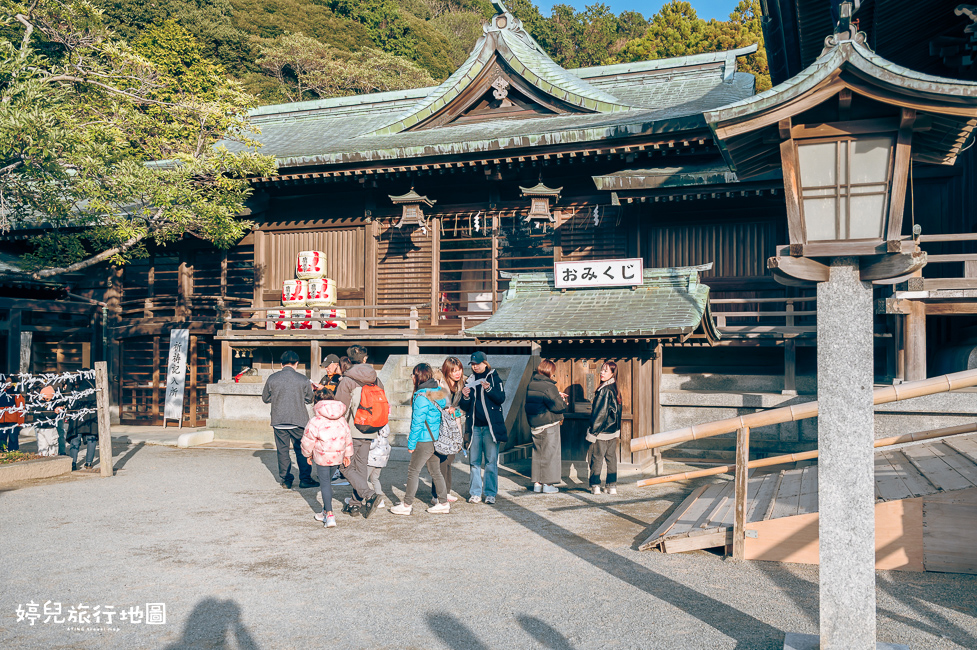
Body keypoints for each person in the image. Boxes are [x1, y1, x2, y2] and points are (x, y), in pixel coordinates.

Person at [390, 363, 450, 515]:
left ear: (418, 376)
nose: (412, 377)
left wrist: (411, 444)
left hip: (424, 440)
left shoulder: (421, 397)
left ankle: (406, 504)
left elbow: (417, 423)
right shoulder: (437, 393)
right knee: (436, 471)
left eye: (413, 374)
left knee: (413, 471)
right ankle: (443, 502)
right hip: (435, 438)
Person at [335, 345, 384, 518]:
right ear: (365, 359)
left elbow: (339, 409)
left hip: (352, 429)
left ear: (348, 360)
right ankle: (355, 505)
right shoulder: (375, 379)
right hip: (371, 428)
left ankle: (369, 495)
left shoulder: (347, 380)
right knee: (361, 466)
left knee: (344, 466)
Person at [261, 351, 318, 490]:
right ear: (296, 363)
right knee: (302, 450)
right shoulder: (302, 379)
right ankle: (305, 479)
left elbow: (265, 398)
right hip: (298, 420)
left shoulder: (272, 378)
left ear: (281, 364)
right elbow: (309, 399)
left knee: (282, 451)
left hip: (279, 420)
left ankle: (286, 479)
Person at [300, 387, 353, 529]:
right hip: (337, 454)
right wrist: (347, 454)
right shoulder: (341, 418)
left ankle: (329, 514)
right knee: (327, 483)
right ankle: (325, 510)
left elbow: (307, 440)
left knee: (324, 484)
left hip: (322, 455)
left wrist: (307, 454)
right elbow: (348, 437)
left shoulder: (315, 420)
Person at [459, 351, 507, 505]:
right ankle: (475, 493)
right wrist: (465, 396)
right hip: (474, 427)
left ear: (485, 363)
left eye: (478, 364)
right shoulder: (469, 380)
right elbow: (465, 407)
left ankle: (490, 493)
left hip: (490, 427)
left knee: (491, 461)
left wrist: (488, 389)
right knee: (474, 462)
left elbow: (501, 398)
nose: (475, 367)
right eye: (473, 364)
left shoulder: (494, 377)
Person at [525, 359, 567, 494]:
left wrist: (556, 395)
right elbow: (558, 406)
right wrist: (562, 399)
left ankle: (537, 483)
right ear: (549, 372)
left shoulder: (532, 384)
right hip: (548, 424)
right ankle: (548, 484)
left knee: (538, 454)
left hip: (535, 425)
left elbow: (542, 400)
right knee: (551, 454)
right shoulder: (549, 387)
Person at [431, 357, 465, 505]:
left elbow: (464, 408)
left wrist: (457, 410)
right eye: (454, 371)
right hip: (440, 427)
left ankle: (446, 491)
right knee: (442, 461)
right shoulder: (439, 384)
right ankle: (437, 494)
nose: (457, 373)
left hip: (454, 427)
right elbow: (433, 403)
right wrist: (446, 409)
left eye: (459, 370)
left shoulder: (463, 384)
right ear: (447, 371)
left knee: (449, 459)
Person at [587, 361, 622, 495]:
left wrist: (593, 432)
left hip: (601, 431)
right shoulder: (615, 388)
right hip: (612, 431)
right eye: (601, 370)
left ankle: (595, 485)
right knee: (611, 458)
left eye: (605, 371)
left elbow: (599, 414)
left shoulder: (604, 390)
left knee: (596, 458)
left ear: (612, 373)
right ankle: (611, 486)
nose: (602, 373)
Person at [66, 373, 98, 471]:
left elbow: (67, 400)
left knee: (75, 440)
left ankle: (73, 463)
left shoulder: (76, 389)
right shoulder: (95, 388)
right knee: (91, 439)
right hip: (91, 418)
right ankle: (88, 463)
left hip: (77, 418)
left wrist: (69, 384)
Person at [367, 424, 391, 508]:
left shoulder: (375, 430)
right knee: (375, 479)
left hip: (372, 459)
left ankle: (357, 499)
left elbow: (372, 445)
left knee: (363, 479)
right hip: (381, 460)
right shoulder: (385, 430)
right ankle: (379, 499)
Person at [0, 382, 24, 451]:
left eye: (10, 381)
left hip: (13, 420)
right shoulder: (1, 392)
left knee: (13, 437)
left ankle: (13, 451)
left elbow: (20, 407)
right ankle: (2, 450)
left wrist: (20, 422)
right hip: (1, 420)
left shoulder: (16, 393)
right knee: (1, 437)